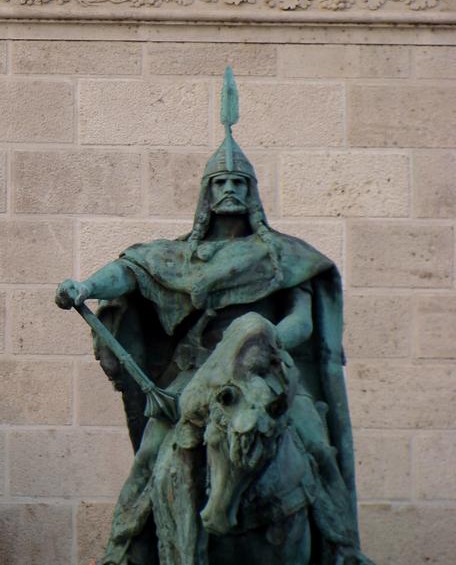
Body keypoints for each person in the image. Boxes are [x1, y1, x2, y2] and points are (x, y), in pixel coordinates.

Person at [55, 71, 360, 564]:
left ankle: (344, 550)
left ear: (253, 192)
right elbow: (130, 272)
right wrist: (86, 287)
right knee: (151, 456)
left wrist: (261, 344)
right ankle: (122, 548)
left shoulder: (284, 255)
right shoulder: (180, 257)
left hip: (267, 373)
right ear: (207, 193)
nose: (230, 190)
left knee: (316, 446)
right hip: (197, 374)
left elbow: (302, 322)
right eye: (220, 183)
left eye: (239, 183)